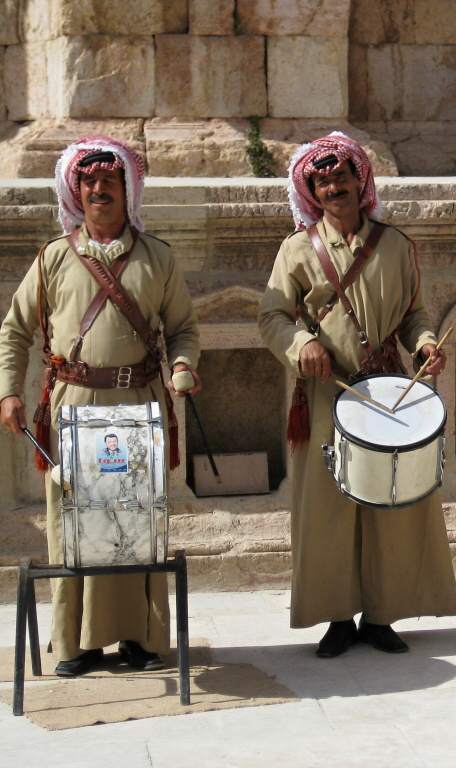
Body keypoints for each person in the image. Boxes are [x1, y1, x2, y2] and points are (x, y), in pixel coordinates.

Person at [0, 136, 201, 676]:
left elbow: (182, 328)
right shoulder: (52, 258)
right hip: (73, 404)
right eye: (88, 182)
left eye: (109, 181)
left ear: (127, 189)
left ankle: (140, 637)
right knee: (75, 521)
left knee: (138, 518)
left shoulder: (158, 257)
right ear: (76, 192)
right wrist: (9, 391)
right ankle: (77, 643)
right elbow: (15, 330)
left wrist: (183, 364)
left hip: (139, 402)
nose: (98, 190)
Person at [258, 132, 456, 657]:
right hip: (327, 393)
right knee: (328, 510)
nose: (334, 188)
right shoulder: (296, 249)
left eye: (342, 177)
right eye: (322, 182)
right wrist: (301, 343)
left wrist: (426, 343)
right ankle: (337, 619)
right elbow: (272, 316)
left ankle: (381, 616)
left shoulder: (395, 245)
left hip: (386, 390)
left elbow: (414, 314)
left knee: (389, 505)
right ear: (312, 192)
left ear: (360, 180)